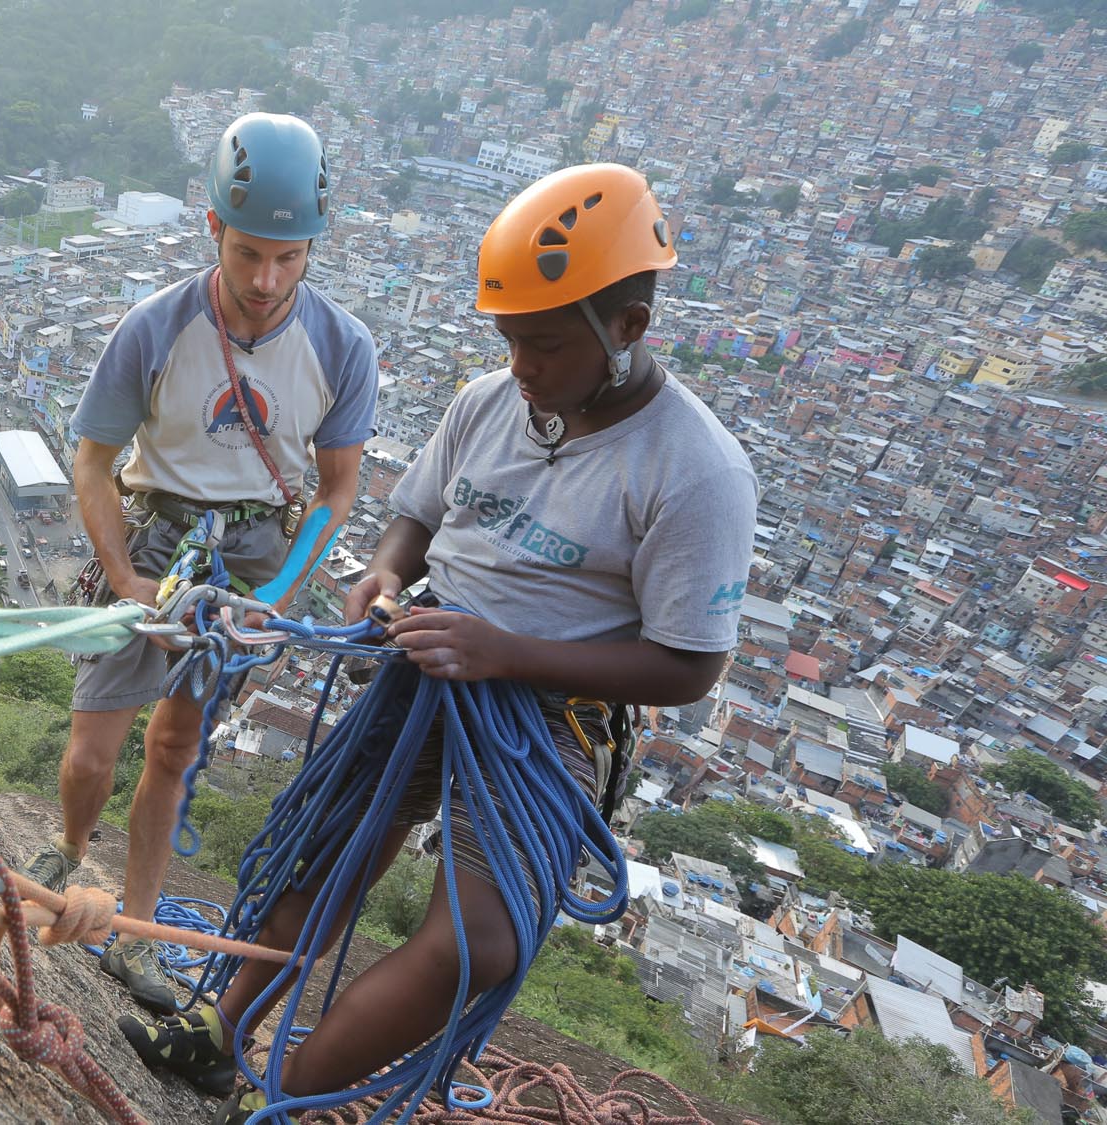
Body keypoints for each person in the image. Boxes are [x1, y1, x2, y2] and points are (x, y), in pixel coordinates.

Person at [119, 163, 759, 1123]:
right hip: (425, 659)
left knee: (477, 943)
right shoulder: (489, 401)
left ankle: (285, 1102)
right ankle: (220, 1030)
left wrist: (503, 651)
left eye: (541, 343)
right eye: (507, 340)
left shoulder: (696, 469)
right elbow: (413, 518)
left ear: (626, 328)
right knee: (326, 849)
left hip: (550, 712)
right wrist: (385, 572)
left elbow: (688, 664)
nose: (520, 366)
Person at [19, 112, 379, 1012]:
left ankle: (133, 930)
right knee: (94, 742)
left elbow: (336, 492)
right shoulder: (154, 328)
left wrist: (279, 594)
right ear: (212, 227)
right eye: (250, 252)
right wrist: (129, 575)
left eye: (290, 258)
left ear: (313, 249)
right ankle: (68, 845)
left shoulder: (343, 348)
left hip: (255, 549)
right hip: (154, 533)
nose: (267, 281)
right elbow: (94, 460)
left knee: (175, 747)